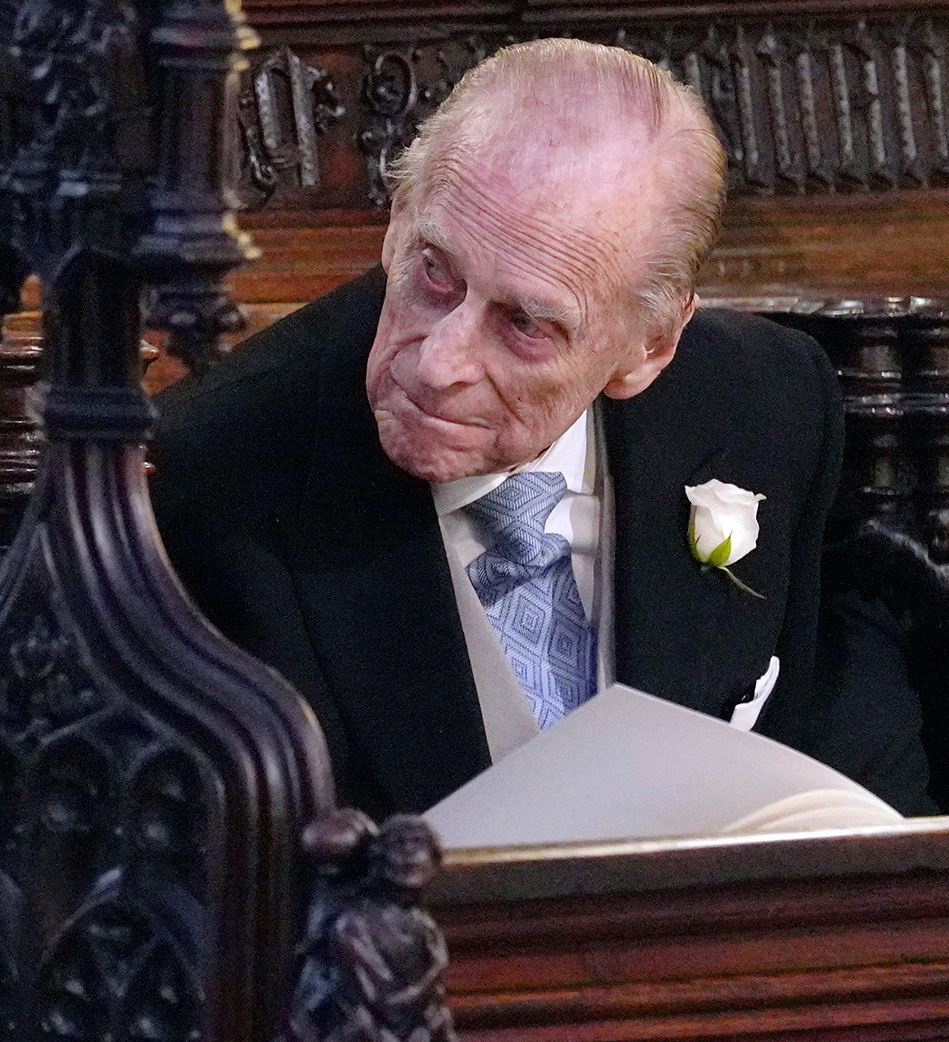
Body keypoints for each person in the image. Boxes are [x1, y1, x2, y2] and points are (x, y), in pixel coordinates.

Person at [151, 38, 930, 817]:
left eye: (524, 323)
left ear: (648, 347)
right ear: (397, 222)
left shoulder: (764, 401)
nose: (438, 363)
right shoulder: (209, 477)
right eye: (433, 272)